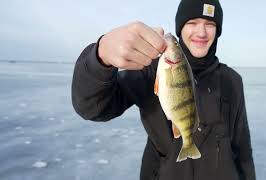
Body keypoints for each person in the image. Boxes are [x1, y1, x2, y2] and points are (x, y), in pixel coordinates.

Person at [72, 0, 256, 179]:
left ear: (218, 30)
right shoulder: (150, 71)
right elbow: (92, 107)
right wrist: (100, 57)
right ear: (180, 27)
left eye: (209, 24)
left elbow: (243, 147)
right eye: (192, 23)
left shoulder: (232, 80)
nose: (201, 32)